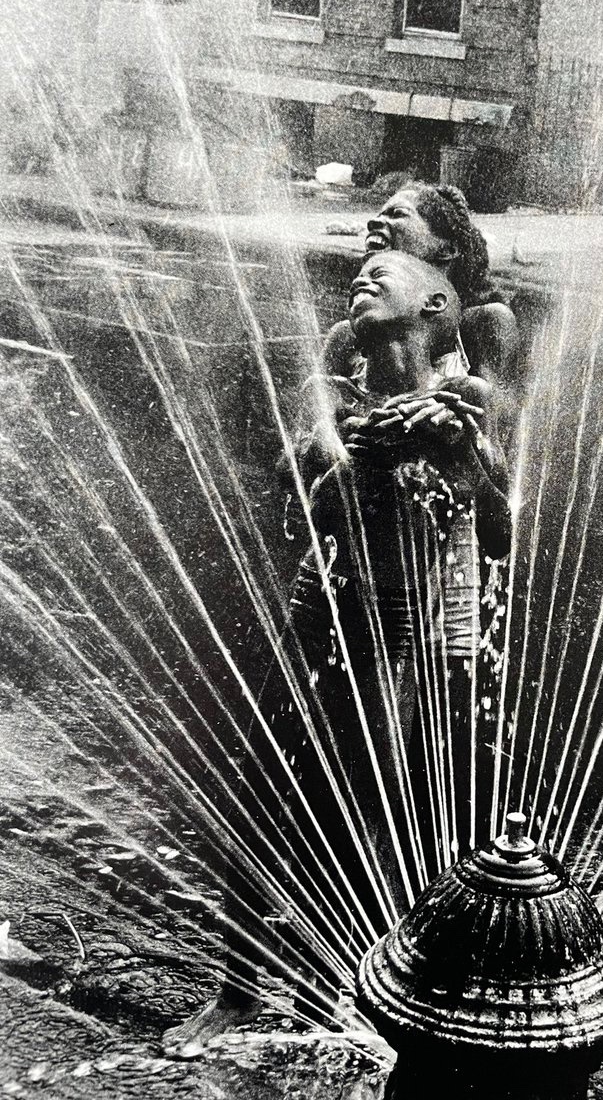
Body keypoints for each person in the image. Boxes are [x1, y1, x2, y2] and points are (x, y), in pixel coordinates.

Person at [164, 253, 509, 1052]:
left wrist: (464, 452)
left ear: (437, 298)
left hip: (405, 637)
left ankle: (332, 1001)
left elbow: (498, 531)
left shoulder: (463, 394)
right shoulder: (347, 375)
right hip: (319, 610)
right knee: (258, 790)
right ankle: (237, 989)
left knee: (357, 811)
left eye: (385, 261)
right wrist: (342, 447)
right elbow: (296, 482)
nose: (364, 266)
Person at [323, 183, 521, 396]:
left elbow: (501, 411)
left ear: (447, 248)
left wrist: (453, 407)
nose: (373, 221)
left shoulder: (483, 322)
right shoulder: (347, 335)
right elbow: (319, 408)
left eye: (397, 213)